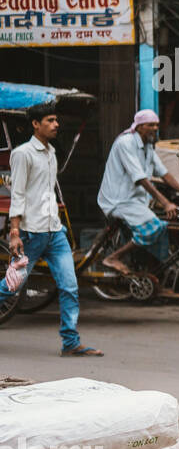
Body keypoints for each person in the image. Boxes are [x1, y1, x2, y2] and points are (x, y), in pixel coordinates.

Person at [0, 101, 102, 356]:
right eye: (50, 120)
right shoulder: (23, 154)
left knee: (69, 286)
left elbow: (47, 192)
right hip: (29, 235)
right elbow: (18, 193)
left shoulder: (51, 153)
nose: (56, 125)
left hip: (55, 233)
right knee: (11, 287)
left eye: (56, 120)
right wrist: (14, 233)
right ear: (35, 124)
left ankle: (70, 342)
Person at [97, 108, 179, 289]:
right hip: (118, 200)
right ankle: (113, 257)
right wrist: (166, 202)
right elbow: (140, 178)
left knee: (164, 228)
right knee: (153, 228)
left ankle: (154, 278)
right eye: (150, 125)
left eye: (157, 125)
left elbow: (165, 174)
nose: (155, 128)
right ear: (139, 127)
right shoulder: (126, 143)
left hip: (135, 201)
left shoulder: (148, 146)